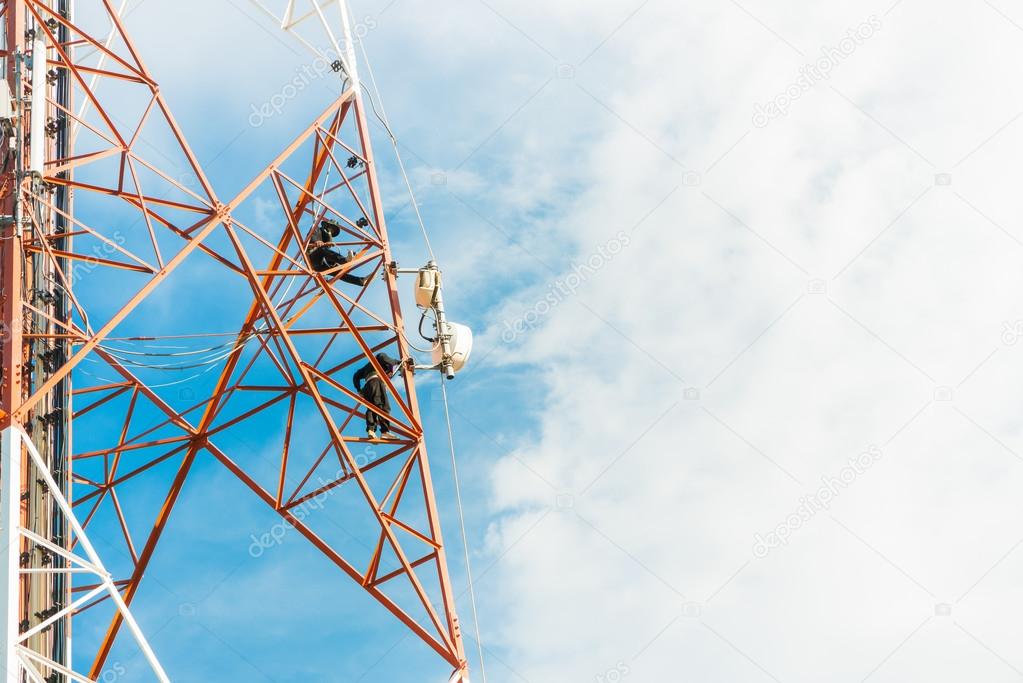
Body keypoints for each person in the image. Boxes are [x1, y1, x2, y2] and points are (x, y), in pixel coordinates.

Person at [307, 218, 371, 287]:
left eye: (333, 231)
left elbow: (328, 249)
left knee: (338, 272)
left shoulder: (326, 237)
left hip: (320, 264)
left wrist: (329, 236)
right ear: (327, 226)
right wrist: (316, 241)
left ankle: (360, 281)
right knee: (322, 249)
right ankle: (344, 260)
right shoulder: (316, 229)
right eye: (331, 229)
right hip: (313, 256)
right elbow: (312, 236)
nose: (331, 231)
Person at [354, 352, 402, 440]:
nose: (390, 375)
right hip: (376, 381)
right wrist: (397, 362)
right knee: (383, 406)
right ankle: (385, 432)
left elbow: (355, 376)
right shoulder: (381, 359)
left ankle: (371, 430)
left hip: (367, 387)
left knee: (371, 408)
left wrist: (359, 390)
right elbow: (382, 356)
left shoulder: (367, 367)